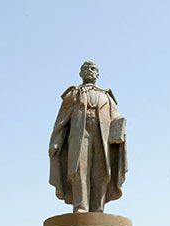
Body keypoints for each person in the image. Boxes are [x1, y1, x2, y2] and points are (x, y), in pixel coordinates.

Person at [48, 61, 128, 213]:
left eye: (93, 69)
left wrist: (120, 130)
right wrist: (57, 141)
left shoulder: (106, 96)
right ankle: (81, 206)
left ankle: (98, 208)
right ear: (80, 74)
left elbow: (116, 117)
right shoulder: (74, 94)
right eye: (85, 69)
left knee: (101, 171)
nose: (89, 71)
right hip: (80, 136)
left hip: (101, 136)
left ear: (97, 74)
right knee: (79, 170)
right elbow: (62, 121)